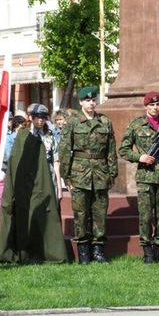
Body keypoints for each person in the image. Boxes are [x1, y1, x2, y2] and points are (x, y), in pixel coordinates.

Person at [0, 117, 68, 264]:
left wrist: (59, 187)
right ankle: (24, 250)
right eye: (36, 117)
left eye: (43, 117)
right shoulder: (19, 139)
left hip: (45, 178)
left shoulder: (48, 137)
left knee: (45, 213)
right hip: (23, 182)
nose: (40, 120)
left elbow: (55, 161)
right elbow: (11, 161)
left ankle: (45, 250)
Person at [59, 86, 118, 264]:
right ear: (81, 102)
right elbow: (64, 149)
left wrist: (112, 173)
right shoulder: (72, 122)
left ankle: (98, 250)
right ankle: (83, 251)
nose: (91, 103)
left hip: (100, 172)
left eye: (94, 100)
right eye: (88, 100)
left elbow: (111, 151)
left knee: (99, 212)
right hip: (79, 173)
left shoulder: (105, 122)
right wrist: (66, 175)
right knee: (81, 213)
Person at [118, 91, 159, 263]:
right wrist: (140, 157)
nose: (155, 107)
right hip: (145, 176)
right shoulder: (136, 126)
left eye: (157, 104)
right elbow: (123, 150)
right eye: (151, 105)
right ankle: (147, 251)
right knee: (145, 216)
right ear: (145, 106)